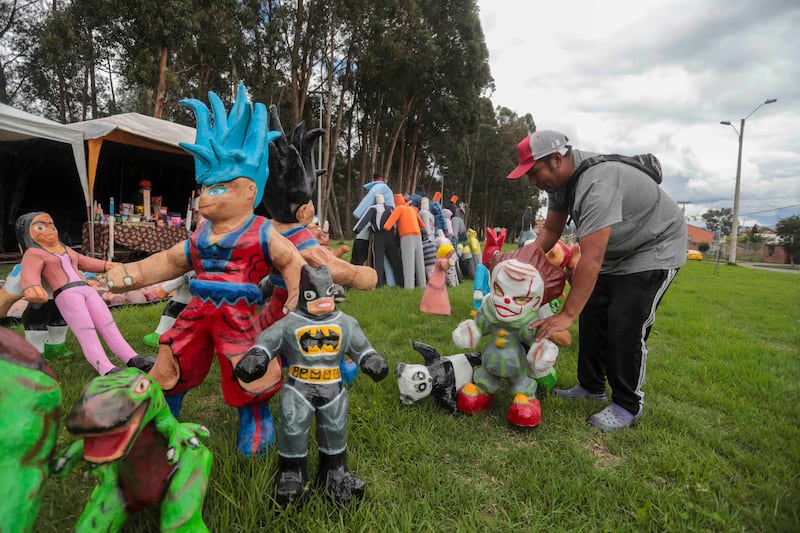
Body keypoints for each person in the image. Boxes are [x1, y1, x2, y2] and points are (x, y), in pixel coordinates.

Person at [106, 83, 307, 458]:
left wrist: (296, 294)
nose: (205, 197)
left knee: (248, 365)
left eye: (219, 189)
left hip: (238, 315)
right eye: (205, 188)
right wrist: (129, 273)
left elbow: (291, 261)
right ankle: (164, 416)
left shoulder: (262, 231)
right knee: (172, 358)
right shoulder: (200, 235)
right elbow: (168, 261)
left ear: (249, 191)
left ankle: (256, 418)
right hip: (197, 311)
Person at [507, 130, 687, 430]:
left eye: (534, 172)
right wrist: (516, 264)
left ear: (556, 159)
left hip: (654, 248)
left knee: (624, 320)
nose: (532, 182)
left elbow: (591, 258)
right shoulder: (561, 184)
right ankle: (590, 388)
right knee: (592, 314)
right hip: (619, 250)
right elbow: (550, 233)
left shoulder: (597, 182)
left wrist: (565, 314)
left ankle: (628, 404)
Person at [17, 212, 145, 375]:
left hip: (86, 289)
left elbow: (85, 261)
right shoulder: (34, 253)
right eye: (41, 227)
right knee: (86, 330)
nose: (49, 230)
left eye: (51, 225)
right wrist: (31, 287)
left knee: (107, 323)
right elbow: (29, 272)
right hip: (67, 293)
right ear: (27, 232)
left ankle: (133, 357)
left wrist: (107, 265)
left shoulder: (64, 249)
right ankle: (105, 367)